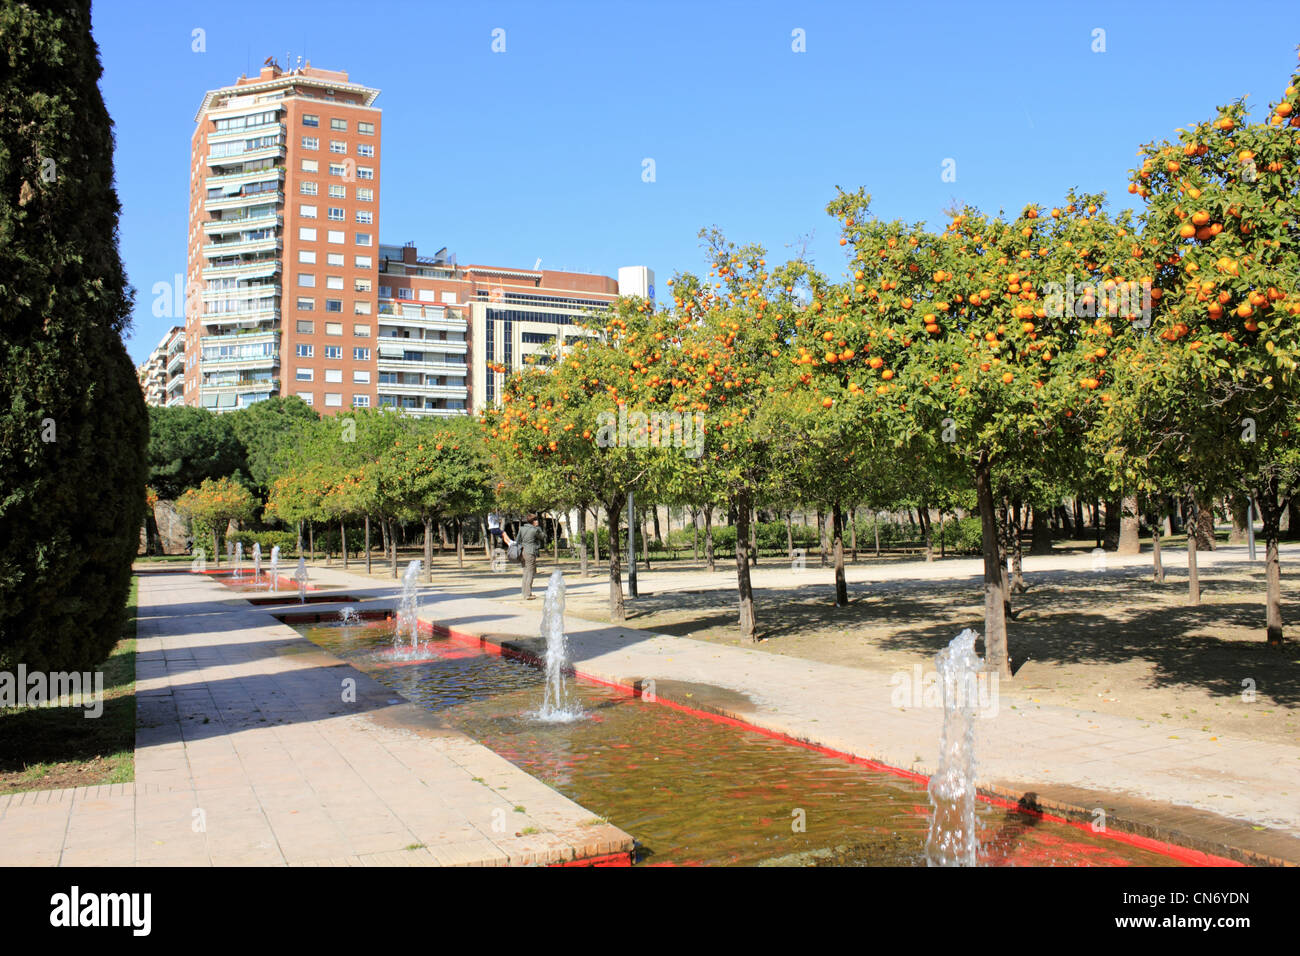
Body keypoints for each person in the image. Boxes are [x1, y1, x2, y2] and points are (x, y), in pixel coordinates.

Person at [516, 512, 546, 600]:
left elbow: (517, 540)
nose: (537, 521)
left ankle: (524, 592)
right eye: (536, 520)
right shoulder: (535, 530)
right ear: (533, 521)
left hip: (522, 552)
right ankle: (528, 594)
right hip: (530, 552)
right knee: (531, 573)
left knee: (525, 572)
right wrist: (539, 528)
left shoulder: (521, 528)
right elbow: (542, 537)